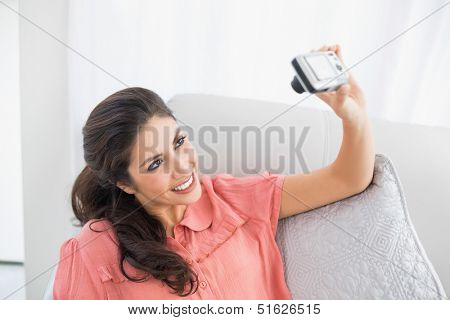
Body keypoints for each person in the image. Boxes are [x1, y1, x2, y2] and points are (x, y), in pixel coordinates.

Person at [53, 44, 374, 299]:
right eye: (155, 163)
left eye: (179, 142)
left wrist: (352, 114)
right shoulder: (92, 252)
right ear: (124, 183)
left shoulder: (234, 198)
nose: (182, 166)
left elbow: (348, 179)